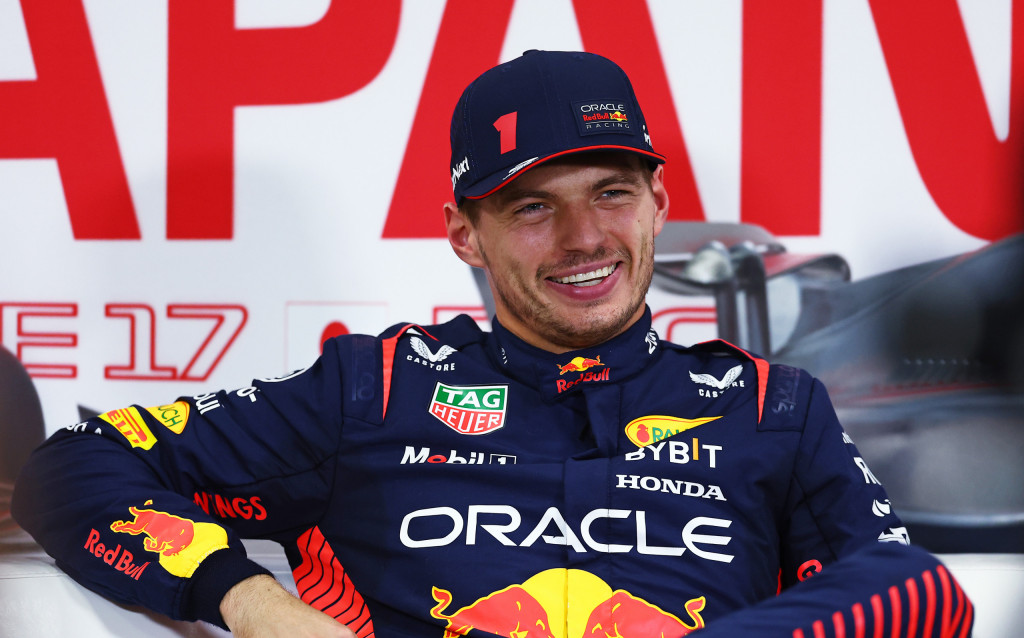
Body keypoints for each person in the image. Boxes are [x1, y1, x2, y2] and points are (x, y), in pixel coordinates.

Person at [13, 50, 973, 638]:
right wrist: (250, 602)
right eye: (532, 208)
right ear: (464, 234)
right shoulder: (374, 389)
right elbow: (73, 469)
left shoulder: (773, 408)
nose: (585, 239)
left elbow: (915, 590)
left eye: (611, 193)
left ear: (658, 204)